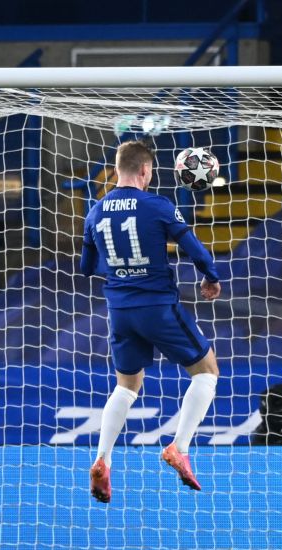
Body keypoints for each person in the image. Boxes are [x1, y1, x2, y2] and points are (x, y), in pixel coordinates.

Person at [80, 140, 222, 501]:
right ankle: (180, 446)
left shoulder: (95, 211)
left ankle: (103, 459)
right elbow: (195, 249)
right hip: (157, 305)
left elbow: (85, 268)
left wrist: (120, 268)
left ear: (116, 169)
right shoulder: (157, 205)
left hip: (119, 311)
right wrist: (210, 275)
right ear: (145, 171)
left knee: (126, 385)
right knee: (206, 370)